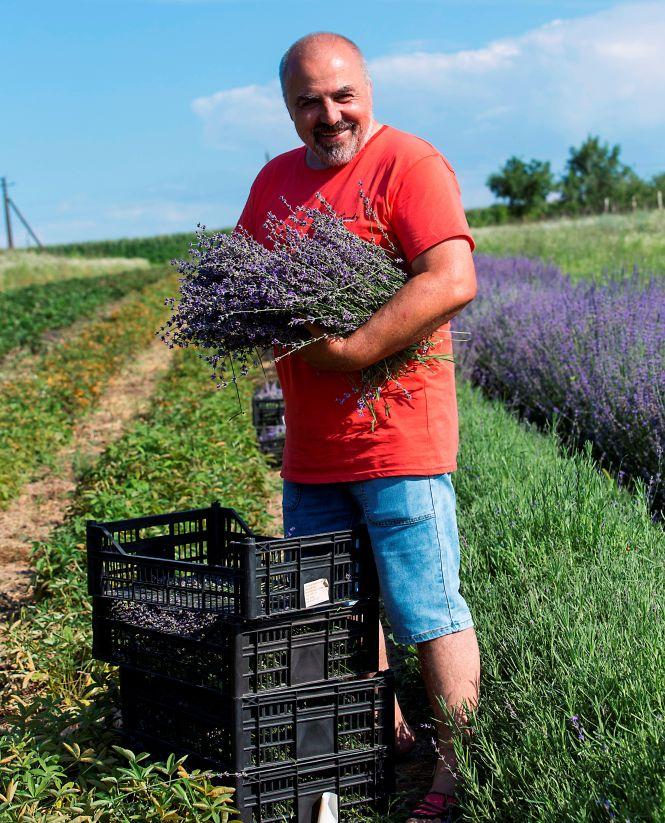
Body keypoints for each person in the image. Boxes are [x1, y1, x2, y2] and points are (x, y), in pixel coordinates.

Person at [237, 31, 480, 823]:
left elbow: (450, 277)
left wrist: (352, 348)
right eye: (308, 100)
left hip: (397, 444)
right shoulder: (273, 181)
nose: (328, 114)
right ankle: (386, 733)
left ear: (366, 88)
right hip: (310, 453)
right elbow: (244, 285)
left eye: (341, 94)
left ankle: (453, 772)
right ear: (287, 107)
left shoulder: (409, 164)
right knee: (333, 612)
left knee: (426, 610)